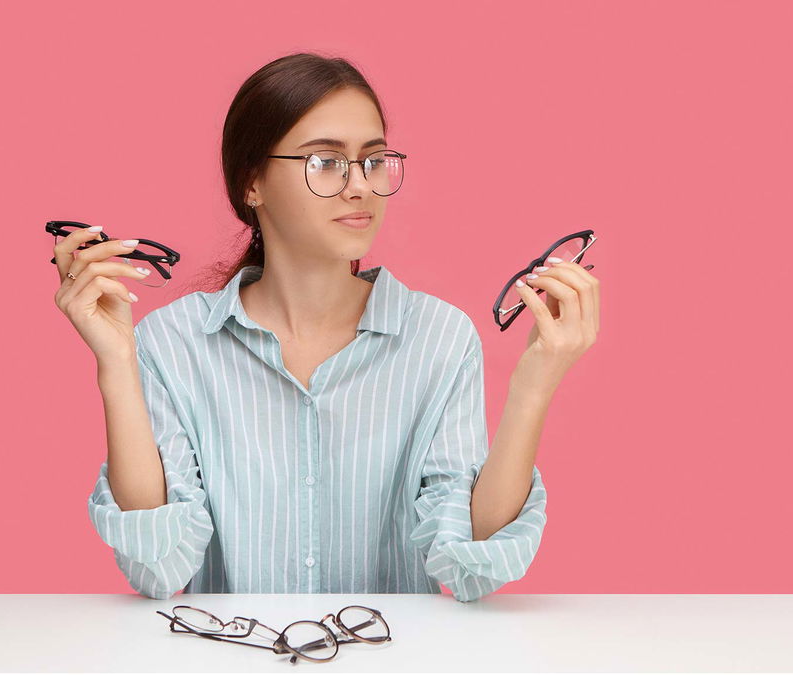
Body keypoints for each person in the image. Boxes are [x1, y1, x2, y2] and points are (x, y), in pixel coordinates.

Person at [52, 52, 600, 602]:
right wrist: (117, 363)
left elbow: (471, 565)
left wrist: (535, 383)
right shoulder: (171, 344)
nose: (360, 186)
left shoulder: (439, 338)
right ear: (252, 184)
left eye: (374, 160)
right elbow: (157, 569)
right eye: (325, 162)